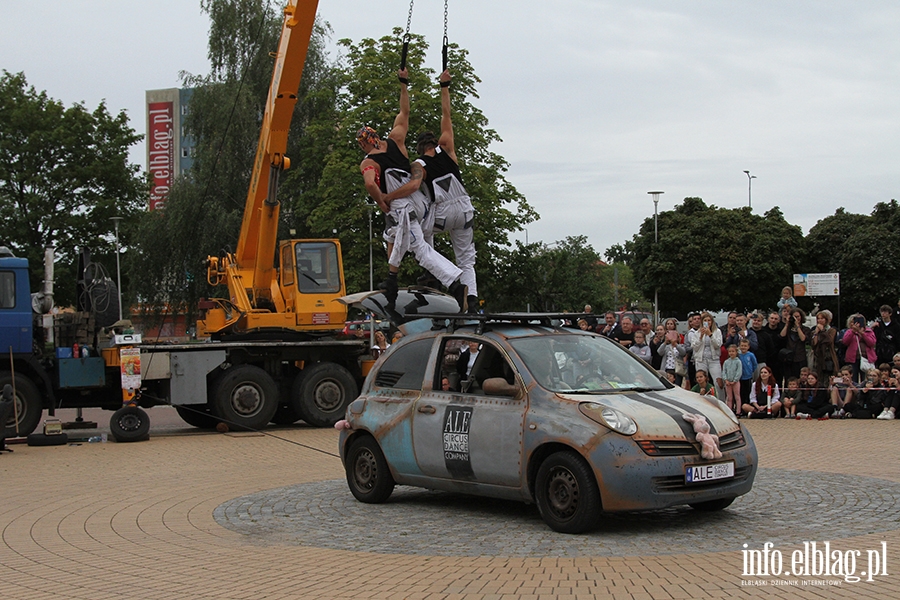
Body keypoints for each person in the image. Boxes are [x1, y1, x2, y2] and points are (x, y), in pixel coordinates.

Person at [356, 69, 467, 311]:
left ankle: (455, 282)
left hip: (402, 206)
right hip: (420, 202)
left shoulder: (368, 162)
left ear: (365, 142)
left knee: (420, 250)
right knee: (393, 236)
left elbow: (369, 183)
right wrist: (403, 83)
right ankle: (394, 280)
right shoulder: (395, 139)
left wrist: (381, 201)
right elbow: (404, 111)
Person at [383, 69, 478, 311]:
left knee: (419, 231)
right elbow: (447, 114)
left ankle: (431, 275)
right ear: (434, 142)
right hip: (465, 211)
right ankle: (472, 300)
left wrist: (389, 196)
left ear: (419, 147)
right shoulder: (448, 148)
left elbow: (414, 185)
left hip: (443, 214)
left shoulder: (418, 165)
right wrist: (444, 86)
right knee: (466, 258)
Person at [691, 312, 723, 398]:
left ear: (712, 321)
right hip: (701, 359)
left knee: (718, 382)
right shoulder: (697, 332)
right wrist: (701, 336)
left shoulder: (717, 331)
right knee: (701, 381)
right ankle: (702, 399)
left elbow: (718, 345)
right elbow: (694, 347)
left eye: (709, 320)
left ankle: (721, 401)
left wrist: (710, 335)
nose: (707, 322)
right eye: (705, 320)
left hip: (714, 359)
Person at [841, 313, 877, 384]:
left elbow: (872, 343)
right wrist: (853, 331)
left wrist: (862, 333)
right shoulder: (849, 331)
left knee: (867, 378)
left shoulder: (869, 331)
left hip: (866, 358)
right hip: (853, 359)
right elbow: (845, 342)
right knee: (854, 378)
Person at [779, 307, 810, 381]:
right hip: (789, 358)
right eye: (794, 317)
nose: (796, 318)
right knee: (789, 379)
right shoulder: (788, 328)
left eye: (797, 317)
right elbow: (782, 336)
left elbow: (803, 339)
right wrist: (787, 324)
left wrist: (798, 326)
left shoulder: (805, 329)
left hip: (800, 357)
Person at [810, 309, 839, 383]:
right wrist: (816, 333)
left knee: (827, 380)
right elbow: (814, 344)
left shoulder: (832, 330)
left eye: (822, 318)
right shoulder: (814, 330)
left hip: (828, 357)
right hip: (818, 358)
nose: (820, 320)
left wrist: (823, 330)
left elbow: (829, 341)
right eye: (818, 319)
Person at [737, 338, 758, 412]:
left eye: (745, 346)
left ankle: (748, 408)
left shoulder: (751, 355)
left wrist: (751, 371)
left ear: (748, 347)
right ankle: (741, 408)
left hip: (748, 377)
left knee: (748, 393)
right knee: (741, 393)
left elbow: (755, 364)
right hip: (740, 377)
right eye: (742, 345)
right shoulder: (738, 355)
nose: (743, 347)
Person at [722, 344, 742, 415]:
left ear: (736, 352)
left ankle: (738, 411)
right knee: (729, 397)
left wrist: (735, 380)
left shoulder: (738, 361)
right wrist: (725, 379)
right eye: (730, 351)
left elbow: (739, 371)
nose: (731, 353)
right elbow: (724, 371)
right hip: (728, 382)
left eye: (733, 351)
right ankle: (729, 411)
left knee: (737, 396)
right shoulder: (726, 362)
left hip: (735, 382)